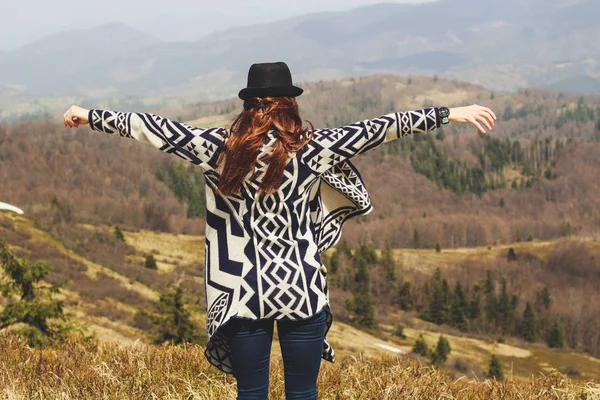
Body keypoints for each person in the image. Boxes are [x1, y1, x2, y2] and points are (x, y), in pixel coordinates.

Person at [63, 62, 496, 400]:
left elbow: (153, 129)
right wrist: (449, 113)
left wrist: (89, 115)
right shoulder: (314, 149)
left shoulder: (221, 150)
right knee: (303, 394)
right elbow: (379, 129)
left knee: (251, 394)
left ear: (250, 105)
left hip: (243, 292)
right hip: (301, 287)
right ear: (290, 103)